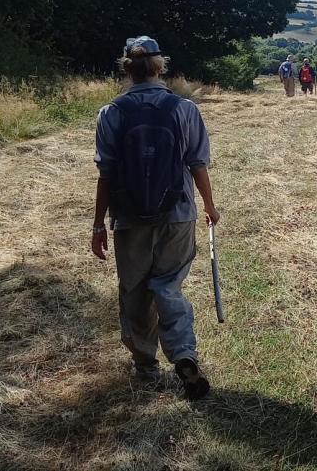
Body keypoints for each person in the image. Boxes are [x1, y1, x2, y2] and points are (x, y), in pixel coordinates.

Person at [91, 36, 221, 401]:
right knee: (167, 286)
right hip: (177, 213)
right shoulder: (185, 109)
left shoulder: (110, 113)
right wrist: (209, 207)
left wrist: (99, 224)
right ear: (160, 66)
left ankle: (146, 365)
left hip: (129, 218)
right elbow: (198, 164)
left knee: (134, 291)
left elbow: (106, 173)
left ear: (126, 69)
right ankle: (183, 353)